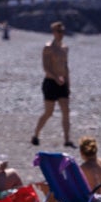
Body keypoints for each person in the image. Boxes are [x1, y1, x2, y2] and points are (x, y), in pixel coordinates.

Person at [31, 20, 73, 148]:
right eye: (59, 31)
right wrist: (56, 78)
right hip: (50, 82)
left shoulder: (65, 48)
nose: (61, 34)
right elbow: (46, 67)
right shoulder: (48, 48)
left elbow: (66, 67)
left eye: (63, 31)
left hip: (62, 83)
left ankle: (67, 139)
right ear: (54, 32)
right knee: (49, 112)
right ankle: (36, 134)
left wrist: (68, 83)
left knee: (66, 111)